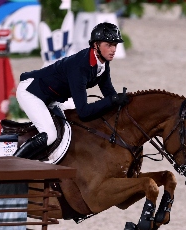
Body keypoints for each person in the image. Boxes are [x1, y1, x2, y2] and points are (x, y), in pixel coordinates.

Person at [13, 22, 129, 159]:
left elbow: (108, 92)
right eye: (108, 45)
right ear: (96, 45)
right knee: (50, 135)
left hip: (53, 98)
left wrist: (120, 102)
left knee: (76, 127)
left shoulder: (102, 63)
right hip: (32, 92)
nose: (113, 49)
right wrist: (112, 100)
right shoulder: (80, 66)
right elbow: (84, 112)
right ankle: (15, 164)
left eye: (115, 45)